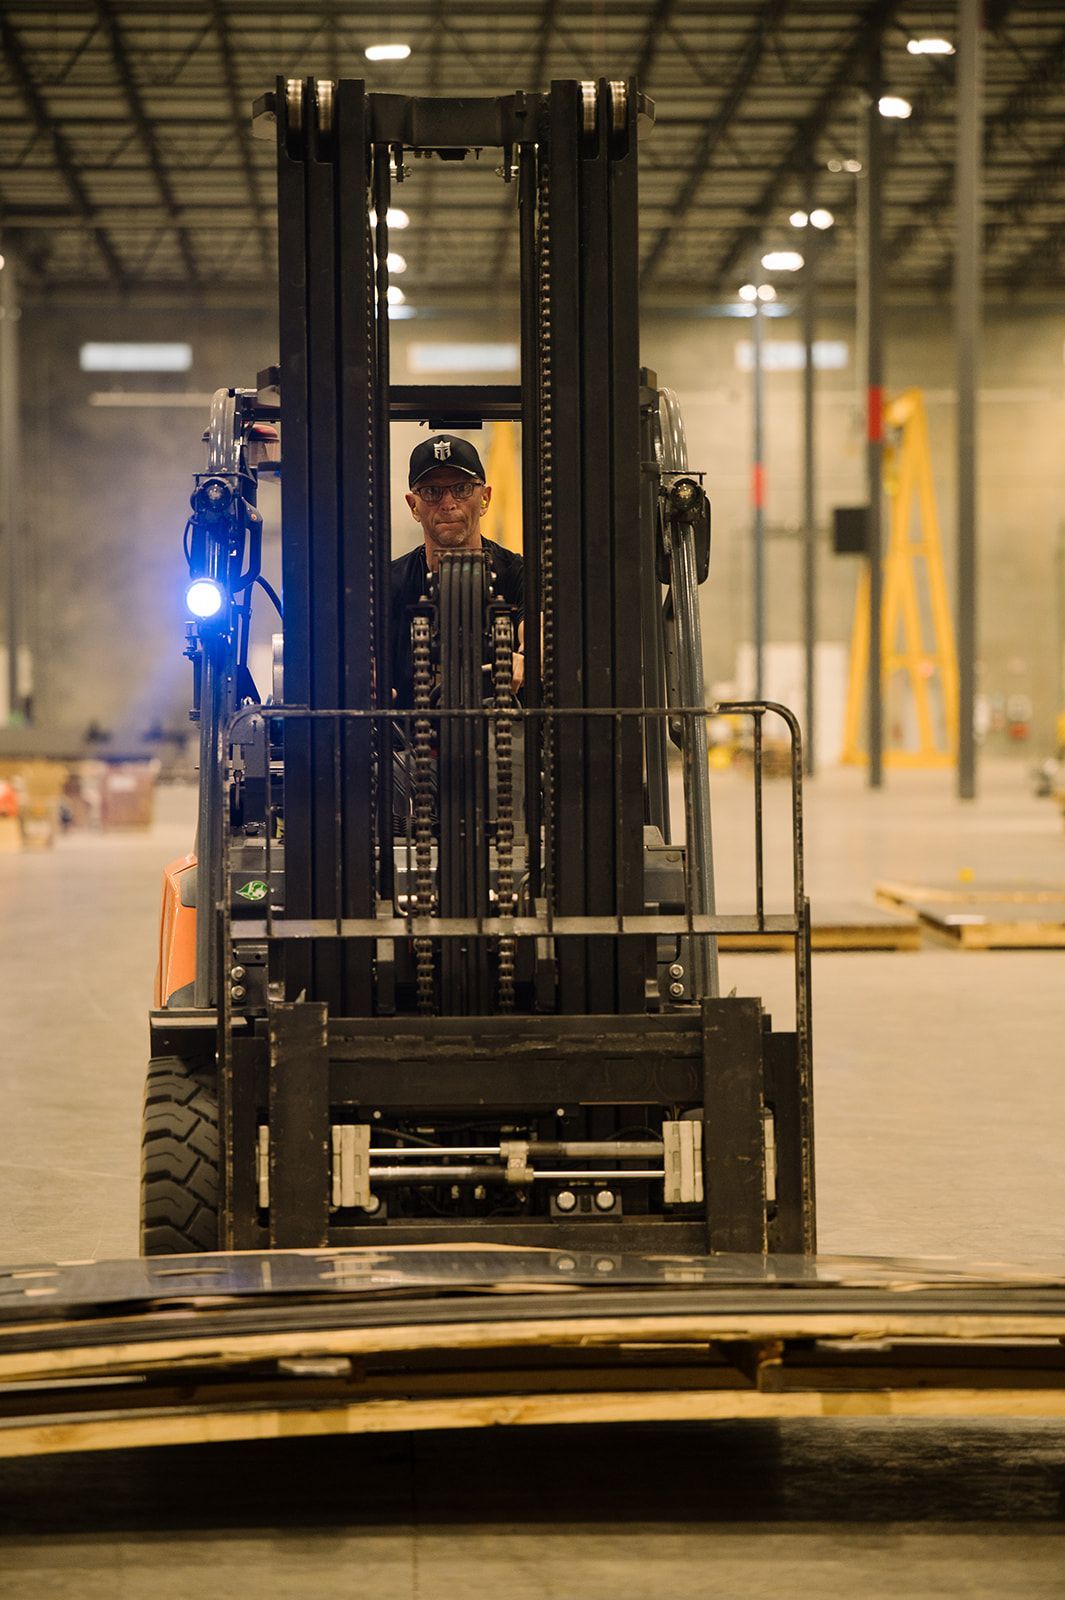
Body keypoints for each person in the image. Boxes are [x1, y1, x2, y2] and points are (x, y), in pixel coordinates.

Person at [391, 435, 524, 706]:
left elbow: (538, 627)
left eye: (462, 489)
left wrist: (529, 656)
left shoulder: (519, 574)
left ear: (485, 497)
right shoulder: (388, 584)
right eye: (431, 491)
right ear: (413, 505)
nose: (448, 503)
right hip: (410, 733)